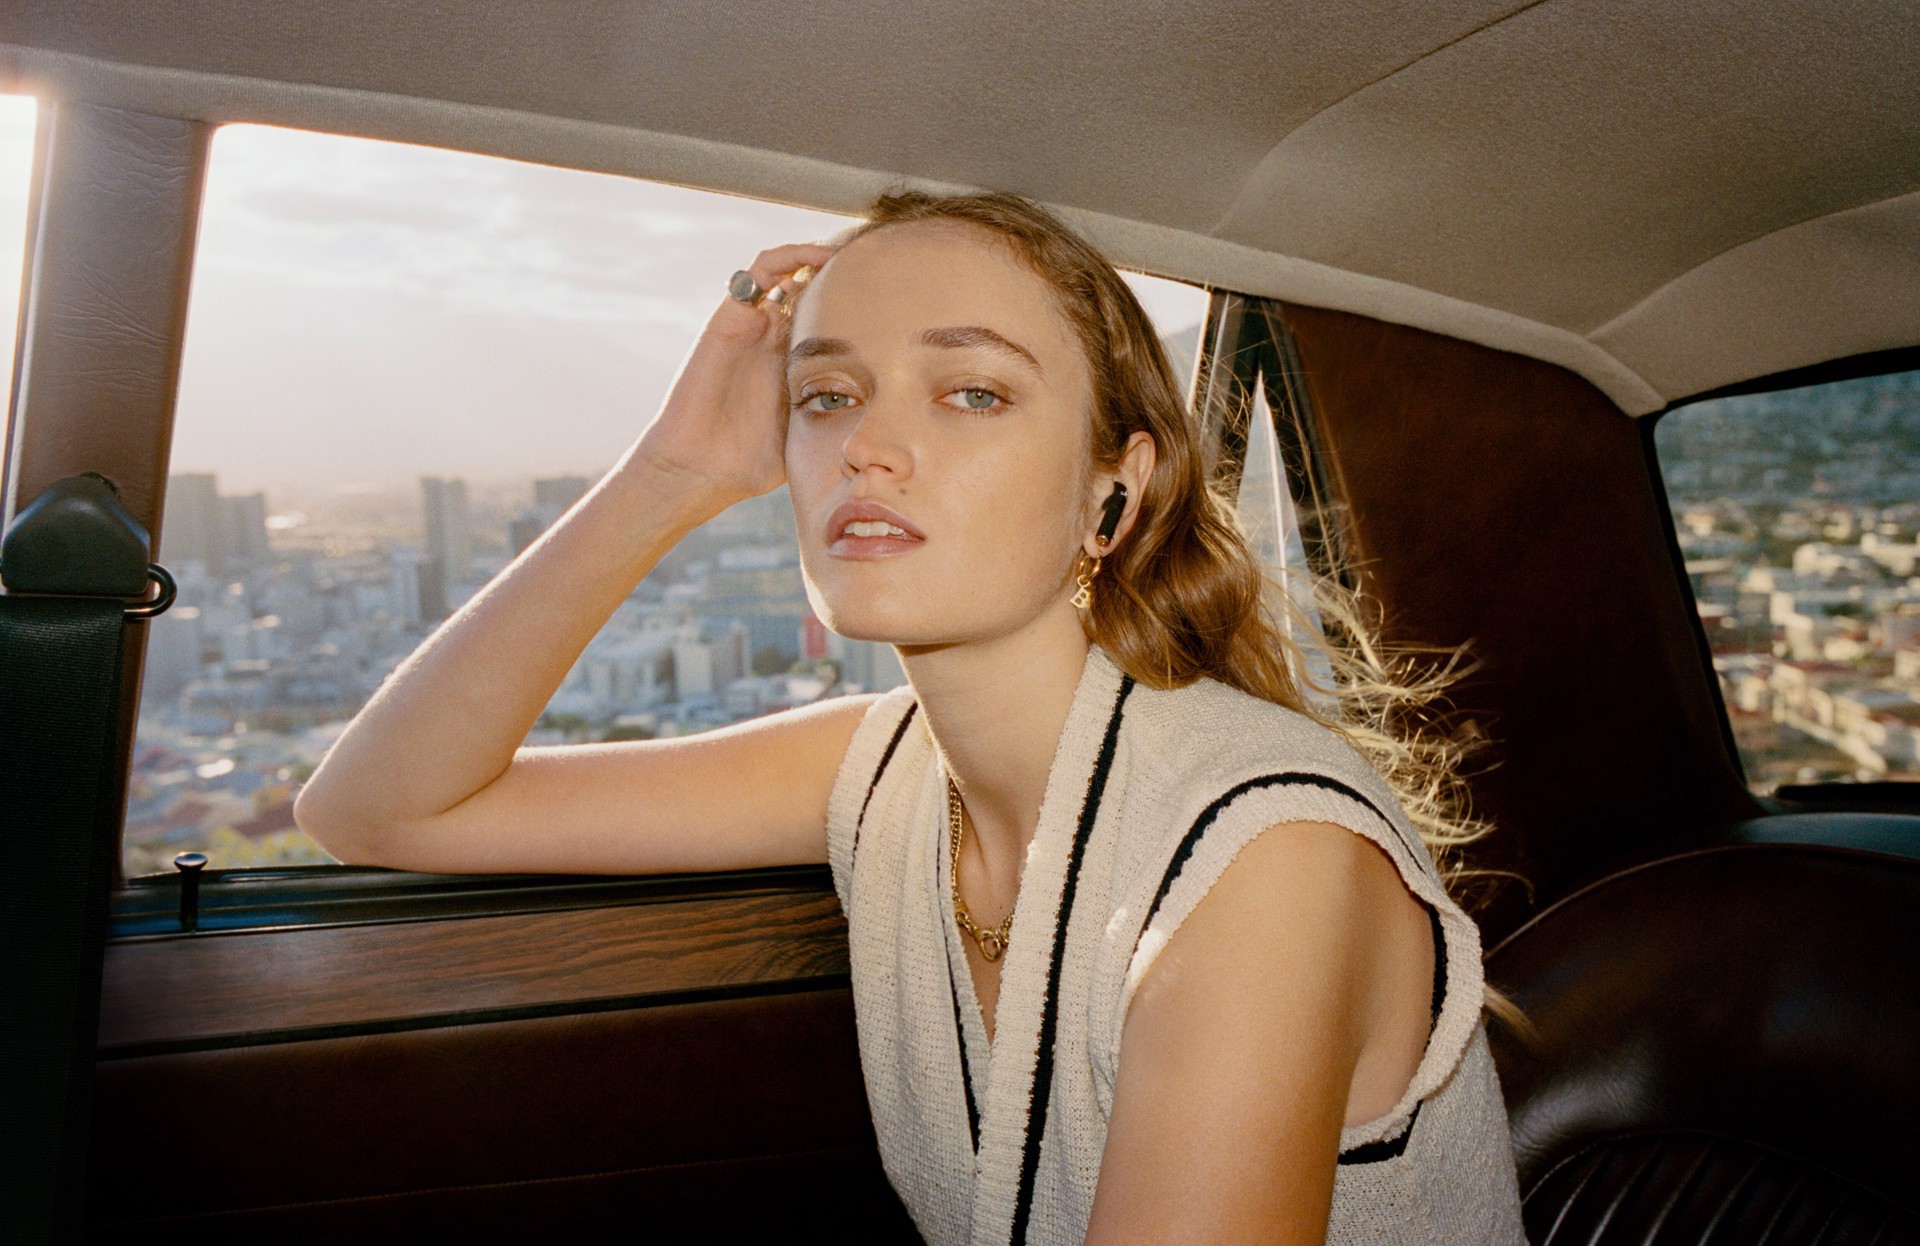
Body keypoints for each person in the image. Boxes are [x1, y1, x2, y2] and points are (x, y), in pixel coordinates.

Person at [295, 188, 1528, 1244]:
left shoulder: (1262, 858)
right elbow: (377, 807)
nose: (868, 446)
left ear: (1113, 491)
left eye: (973, 393)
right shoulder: (886, 772)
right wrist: (674, 471)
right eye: (826, 396)